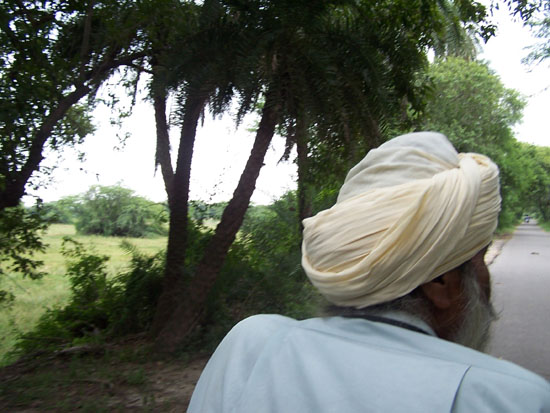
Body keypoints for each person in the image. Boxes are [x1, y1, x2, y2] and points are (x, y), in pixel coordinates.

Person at [188, 132, 550, 412]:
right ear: (442, 282)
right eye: (480, 260)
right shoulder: (509, 397)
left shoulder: (251, 346)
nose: (486, 282)